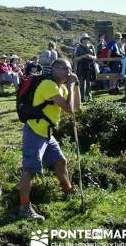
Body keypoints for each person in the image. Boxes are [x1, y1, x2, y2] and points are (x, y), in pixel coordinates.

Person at [18, 58, 81, 221]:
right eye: (63, 69)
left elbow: (75, 108)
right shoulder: (48, 85)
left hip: (47, 133)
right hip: (35, 131)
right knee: (29, 170)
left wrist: (76, 86)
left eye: (68, 68)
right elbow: (67, 107)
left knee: (60, 161)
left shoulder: (61, 87)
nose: (67, 72)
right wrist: (70, 85)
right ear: (53, 69)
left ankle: (68, 192)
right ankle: (24, 207)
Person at [74, 33, 97, 102]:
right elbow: (75, 59)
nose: (86, 40)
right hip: (81, 66)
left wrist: (91, 57)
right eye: (84, 39)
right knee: (81, 82)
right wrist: (83, 56)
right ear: (82, 40)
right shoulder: (78, 48)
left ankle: (89, 97)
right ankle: (81, 97)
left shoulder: (91, 47)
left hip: (90, 66)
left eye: (87, 39)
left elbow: (95, 57)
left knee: (89, 82)